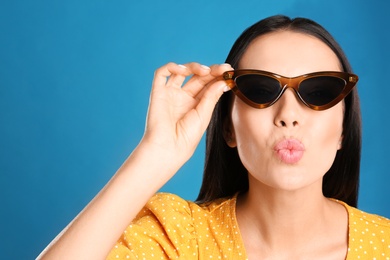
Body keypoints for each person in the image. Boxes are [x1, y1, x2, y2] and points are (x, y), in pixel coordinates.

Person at [38, 15, 390, 259]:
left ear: (344, 128)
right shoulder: (176, 239)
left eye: (318, 92)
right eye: (260, 90)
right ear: (228, 127)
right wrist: (155, 154)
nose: (288, 117)